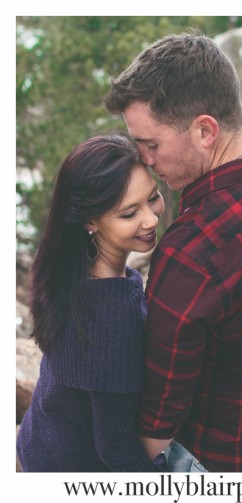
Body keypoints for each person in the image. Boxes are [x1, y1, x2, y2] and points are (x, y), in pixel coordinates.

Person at [103, 32, 242, 472]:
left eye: (151, 144)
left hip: (227, 465)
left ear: (205, 130)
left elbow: (159, 419)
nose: (143, 160)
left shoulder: (191, 255)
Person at [17, 134, 166, 472]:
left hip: (39, 440)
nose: (152, 219)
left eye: (153, 198)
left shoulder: (66, 271)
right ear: (90, 221)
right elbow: (116, 448)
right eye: (129, 214)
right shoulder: (111, 313)